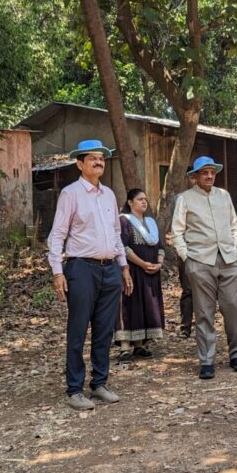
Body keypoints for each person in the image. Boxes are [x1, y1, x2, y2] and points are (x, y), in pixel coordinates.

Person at [47, 139, 134, 410]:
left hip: (110, 269)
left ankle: (99, 383)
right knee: (78, 328)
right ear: (80, 164)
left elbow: (116, 233)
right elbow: (57, 234)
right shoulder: (71, 194)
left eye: (102, 158)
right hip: (81, 268)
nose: (99, 162)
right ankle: (74, 389)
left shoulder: (109, 194)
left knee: (105, 329)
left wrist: (123, 266)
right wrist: (57, 272)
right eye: (93, 158)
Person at [171, 156, 237, 379]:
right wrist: (187, 258)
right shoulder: (185, 198)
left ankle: (236, 354)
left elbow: (234, 225)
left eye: (212, 172)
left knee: (233, 307)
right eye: (204, 173)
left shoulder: (223, 195)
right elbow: (177, 231)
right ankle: (206, 360)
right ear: (195, 176)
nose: (209, 176)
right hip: (200, 261)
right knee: (204, 311)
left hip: (229, 260)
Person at [116, 189, 165, 361]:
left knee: (145, 306)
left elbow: (160, 247)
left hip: (151, 273)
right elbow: (124, 247)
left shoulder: (151, 222)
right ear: (130, 202)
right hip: (132, 271)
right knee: (129, 305)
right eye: (139, 199)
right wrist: (142, 264)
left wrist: (159, 264)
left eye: (145, 199)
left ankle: (139, 345)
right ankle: (125, 347)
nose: (144, 202)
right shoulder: (124, 221)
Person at [172, 168, 195, 338]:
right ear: (186, 179)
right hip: (186, 249)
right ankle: (185, 326)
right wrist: (183, 252)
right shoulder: (179, 199)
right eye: (191, 177)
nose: (194, 180)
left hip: (207, 251)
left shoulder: (215, 197)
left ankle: (205, 325)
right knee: (188, 290)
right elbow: (176, 228)